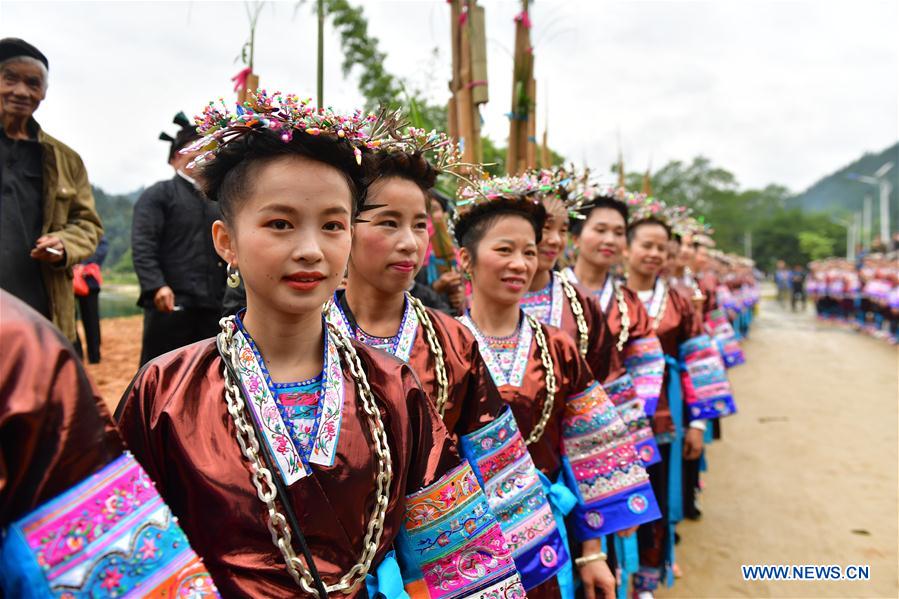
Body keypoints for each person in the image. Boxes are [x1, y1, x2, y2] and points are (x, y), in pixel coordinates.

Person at [116, 92, 523, 597]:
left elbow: (464, 555)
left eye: (332, 225)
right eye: (280, 224)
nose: (310, 250)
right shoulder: (165, 390)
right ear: (226, 241)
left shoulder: (394, 386)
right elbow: (131, 566)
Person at [453, 173, 662, 598]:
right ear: (466, 259)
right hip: (465, 542)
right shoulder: (437, 344)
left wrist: (592, 551)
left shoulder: (559, 345)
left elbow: (590, 443)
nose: (521, 263)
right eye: (504, 250)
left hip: (550, 527)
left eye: (528, 251)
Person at [0, 290, 219, 597]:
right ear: (225, 243)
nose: (309, 252)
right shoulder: (19, 348)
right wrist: (156, 284)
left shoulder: (20, 346)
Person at [329, 136, 506, 438]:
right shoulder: (306, 334)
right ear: (347, 227)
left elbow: (497, 463)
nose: (410, 244)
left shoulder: (455, 342)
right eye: (389, 223)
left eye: (419, 225)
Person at [622, 197, 736, 597]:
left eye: (661, 248)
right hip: (617, 419)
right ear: (627, 247)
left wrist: (698, 423)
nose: (654, 254)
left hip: (667, 412)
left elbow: (700, 360)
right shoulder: (604, 300)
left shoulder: (679, 302)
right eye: (646, 245)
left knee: (657, 497)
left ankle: (648, 579)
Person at [0, 38, 102, 344]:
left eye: (33, 83)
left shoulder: (65, 159)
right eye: (10, 79)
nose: (21, 91)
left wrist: (63, 243)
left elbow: (88, 225)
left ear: (43, 92)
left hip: (40, 312)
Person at [131, 111, 227, 365]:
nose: (204, 154)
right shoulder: (159, 195)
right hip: (171, 303)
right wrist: (156, 285)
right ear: (175, 157)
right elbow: (143, 245)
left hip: (214, 305)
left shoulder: (220, 201)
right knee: (163, 371)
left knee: (208, 373)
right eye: (195, 148)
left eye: (209, 148)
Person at [520, 168, 615, 383]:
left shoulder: (583, 303)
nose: (555, 240)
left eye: (562, 230)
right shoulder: (487, 299)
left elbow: (606, 378)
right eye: (545, 227)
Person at [73, 235, 108, 363]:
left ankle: (94, 356)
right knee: (70, 320)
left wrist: (85, 263)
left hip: (89, 280)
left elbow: (103, 247)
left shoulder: (91, 224)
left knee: (92, 319)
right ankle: (77, 355)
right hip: (67, 279)